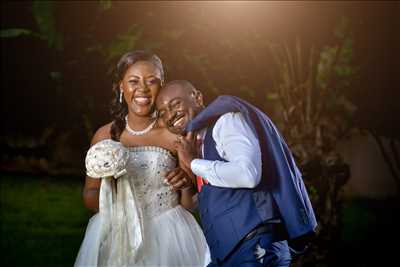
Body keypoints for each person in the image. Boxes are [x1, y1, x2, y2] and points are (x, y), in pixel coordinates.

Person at [156, 80, 318, 267]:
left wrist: (193, 163)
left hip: (256, 250)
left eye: (175, 104)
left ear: (198, 98)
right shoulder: (196, 142)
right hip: (226, 255)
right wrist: (187, 181)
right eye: (162, 113)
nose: (169, 115)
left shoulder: (227, 122)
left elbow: (248, 174)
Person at [74, 52, 209, 266]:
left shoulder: (175, 134)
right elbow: (89, 195)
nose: (143, 89)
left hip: (168, 237)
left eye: (152, 81)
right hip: (116, 234)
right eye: (133, 81)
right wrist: (112, 193)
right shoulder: (105, 135)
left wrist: (184, 184)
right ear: (121, 87)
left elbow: (190, 204)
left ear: (161, 85)